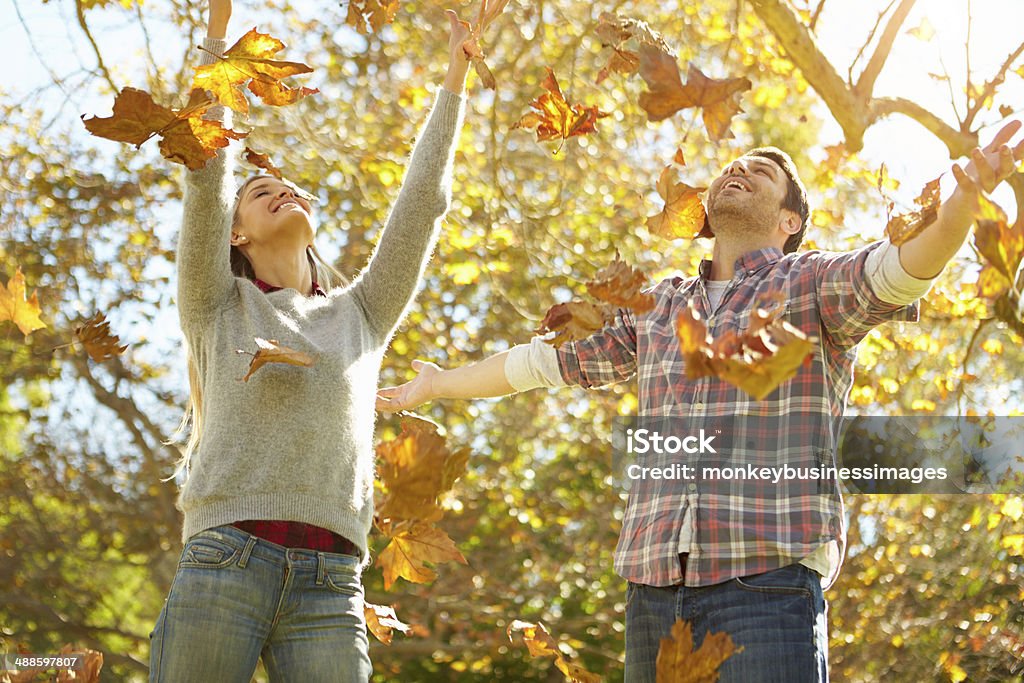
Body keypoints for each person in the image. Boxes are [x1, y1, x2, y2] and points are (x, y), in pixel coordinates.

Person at [376, 126, 1023, 682]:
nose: (739, 168)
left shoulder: (811, 283)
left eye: (762, 170)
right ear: (709, 212)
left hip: (767, 587)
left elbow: (900, 270)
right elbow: (540, 365)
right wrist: (437, 382)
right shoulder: (657, 305)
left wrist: (961, 203)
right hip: (653, 594)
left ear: (789, 220)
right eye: (733, 165)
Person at [147, 0, 486, 678]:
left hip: (331, 583)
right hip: (224, 560)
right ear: (235, 234)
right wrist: (217, 43)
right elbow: (206, 178)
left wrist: (457, 72)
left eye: (290, 186)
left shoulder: (361, 312)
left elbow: (423, 202)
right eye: (261, 190)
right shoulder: (215, 305)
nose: (283, 190)